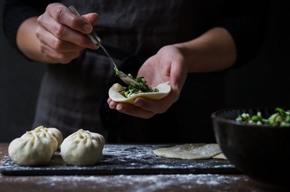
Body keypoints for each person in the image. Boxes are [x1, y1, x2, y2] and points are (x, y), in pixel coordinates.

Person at [3, 0, 269, 143]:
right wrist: (46, 41)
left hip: (189, 109)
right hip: (68, 118)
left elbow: (248, 25)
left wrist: (184, 55)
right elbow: (16, 9)